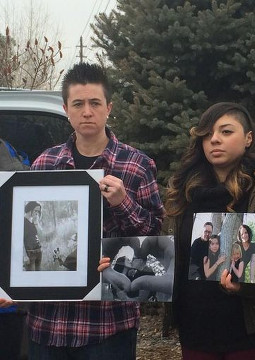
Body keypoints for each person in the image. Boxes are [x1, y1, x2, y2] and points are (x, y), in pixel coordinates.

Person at [0, 62, 166, 360]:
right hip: (49, 323)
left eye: (94, 103)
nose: (86, 111)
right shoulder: (44, 163)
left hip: (107, 325)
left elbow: (155, 239)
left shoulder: (136, 165)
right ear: (66, 108)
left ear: (108, 107)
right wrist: (11, 285)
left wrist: (122, 203)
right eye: (78, 104)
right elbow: (23, 237)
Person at [163, 102, 255, 359]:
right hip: (196, 332)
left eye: (225, 132)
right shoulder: (182, 191)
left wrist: (244, 282)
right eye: (207, 134)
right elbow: (171, 257)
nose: (214, 140)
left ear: (248, 138)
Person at [24, 201, 42, 271]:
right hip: (29, 253)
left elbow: (41, 235)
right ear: (29, 209)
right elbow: (20, 241)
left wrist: (36, 223)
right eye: (35, 210)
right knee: (30, 278)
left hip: (39, 251)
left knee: (38, 277)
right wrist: (25, 256)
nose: (37, 213)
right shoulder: (23, 221)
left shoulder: (34, 220)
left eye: (39, 211)